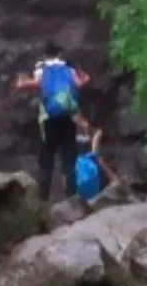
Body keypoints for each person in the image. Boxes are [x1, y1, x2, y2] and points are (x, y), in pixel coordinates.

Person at [11, 41, 91, 201]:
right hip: (68, 117)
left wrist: (20, 85)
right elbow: (81, 83)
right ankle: (71, 197)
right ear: (59, 54)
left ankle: (43, 198)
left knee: (47, 156)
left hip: (49, 119)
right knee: (69, 156)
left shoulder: (42, 69)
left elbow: (36, 84)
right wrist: (85, 75)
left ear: (45, 54)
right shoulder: (69, 69)